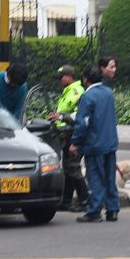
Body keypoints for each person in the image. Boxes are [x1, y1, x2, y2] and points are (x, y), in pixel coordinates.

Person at [69, 65, 119, 223]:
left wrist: (75, 142)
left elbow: (83, 122)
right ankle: (112, 210)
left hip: (94, 144)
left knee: (95, 177)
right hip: (110, 142)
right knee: (110, 177)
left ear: (85, 79)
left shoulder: (87, 96)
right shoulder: (108, 93)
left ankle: (94, 211)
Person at [48, 65, 88, 212]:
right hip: (66, 134)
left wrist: (61, 117)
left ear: (68, 77)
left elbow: (79, 115)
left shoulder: (76, 91)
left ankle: (84, 201)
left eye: (60, 78)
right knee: (68, 169)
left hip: (74, 134)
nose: (59, 81)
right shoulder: (68, 91)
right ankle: (66, 200)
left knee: (73, 167)